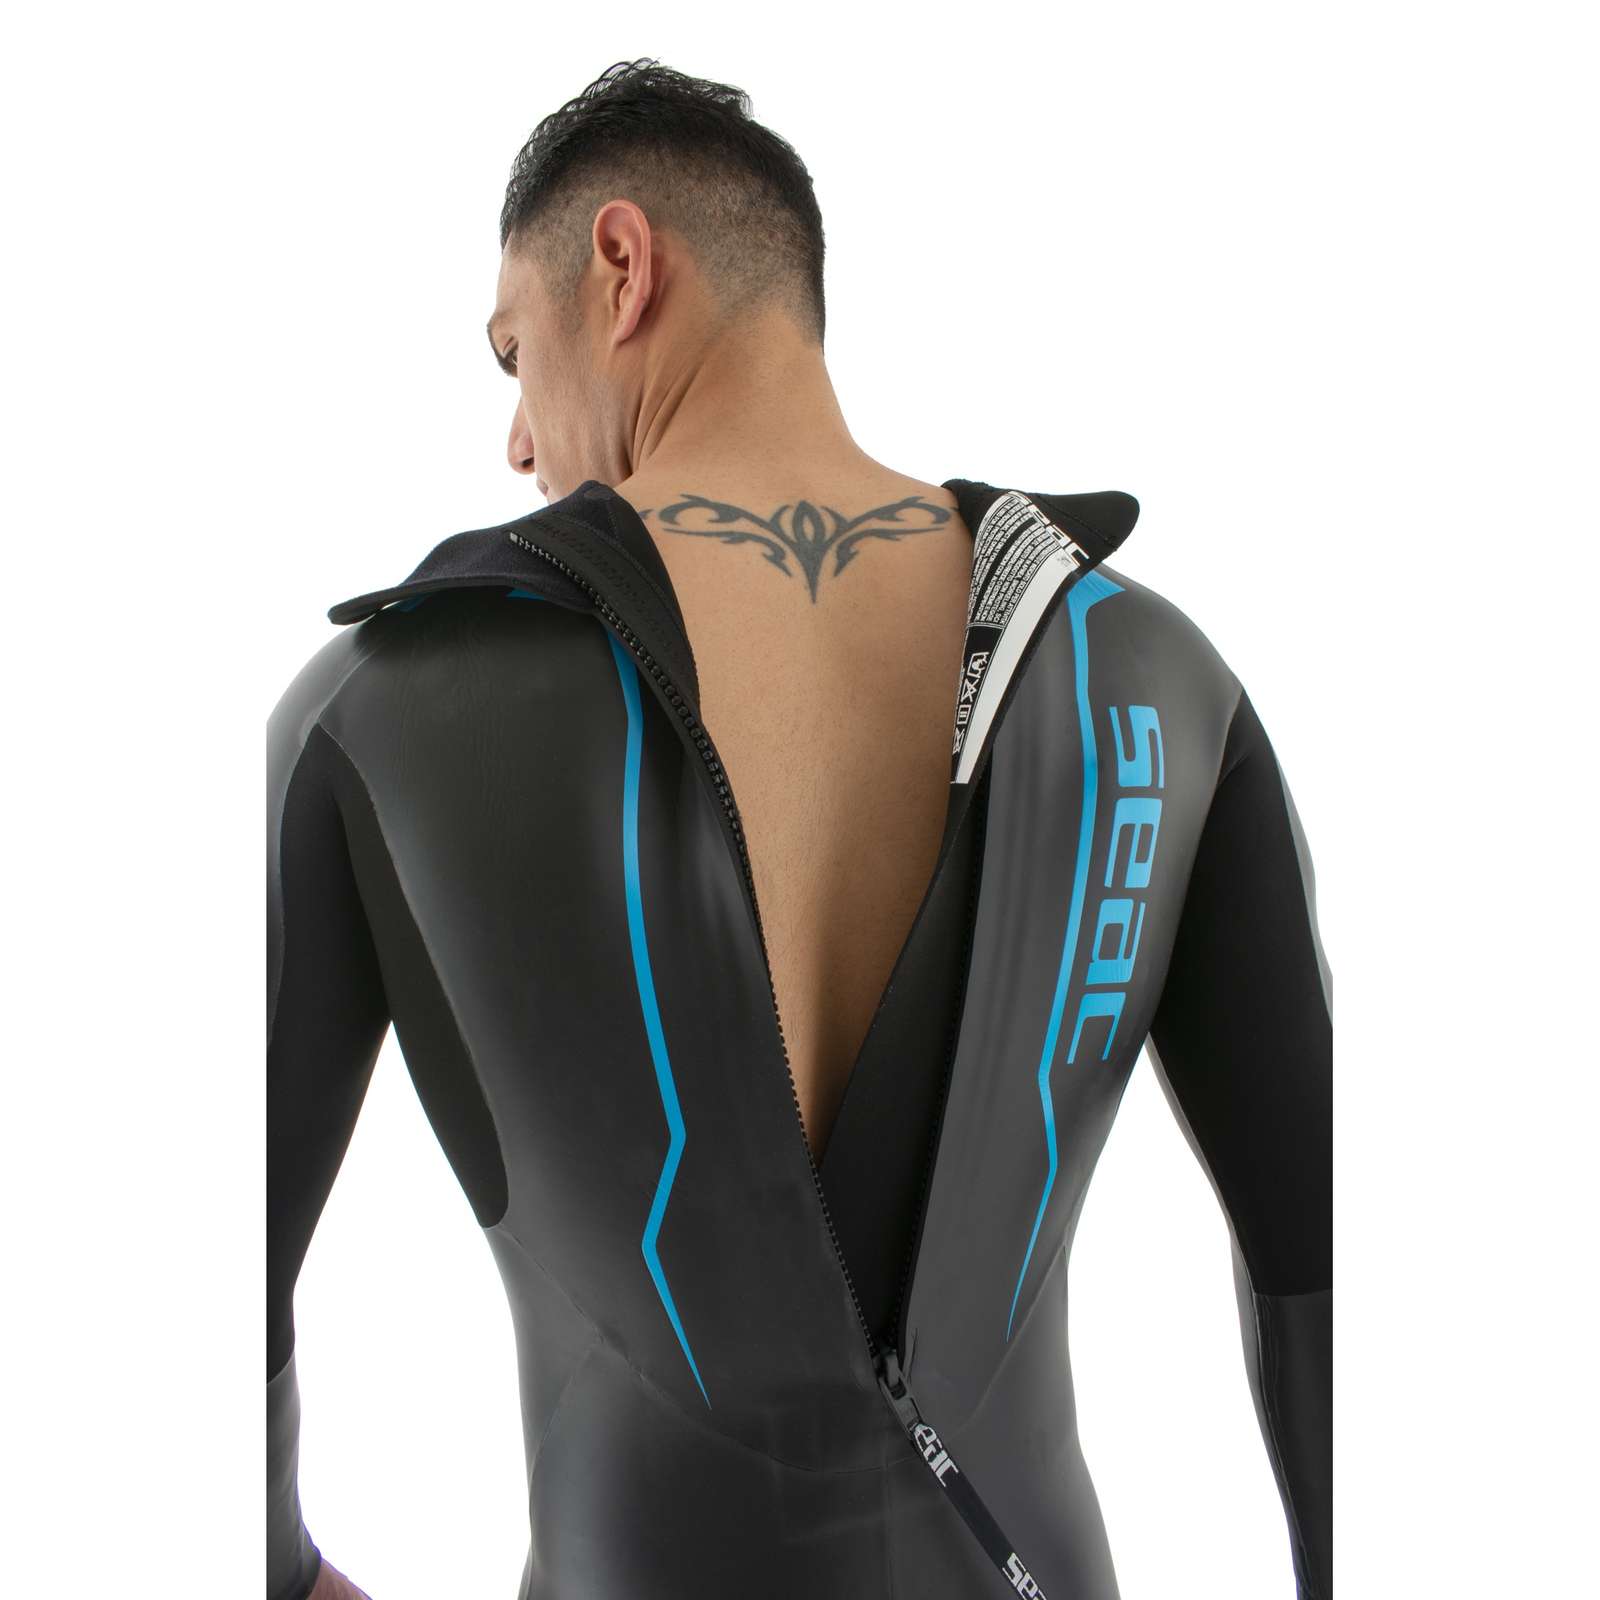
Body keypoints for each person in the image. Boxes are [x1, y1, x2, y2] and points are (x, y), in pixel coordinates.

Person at [268, 58, 1332, 1600]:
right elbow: (1329, 1261)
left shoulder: (376, 710)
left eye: (513, 351)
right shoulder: (1155, 681)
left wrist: (282, 1569)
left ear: (620, 266)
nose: (516, 438)